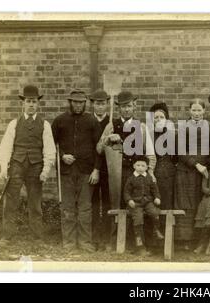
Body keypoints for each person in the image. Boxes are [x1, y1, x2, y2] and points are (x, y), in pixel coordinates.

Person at [0, 85, 56, 245]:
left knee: (35, 202)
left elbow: (50, 149)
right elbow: (6, 146)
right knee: (11, 201)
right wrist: (4, 167)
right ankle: (7, 236)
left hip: (36, 167)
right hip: (16, 165)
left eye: (34, 102)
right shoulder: (14, 124)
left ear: (38, 104)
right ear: (23, 103)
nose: (31, 105)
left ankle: (37, 237)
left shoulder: (45, 125)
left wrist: (45, 170)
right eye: (28, 101)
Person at [51, 89, 102, 253]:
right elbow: (51, 146)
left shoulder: (92, 121)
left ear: (85, 103)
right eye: (75, 102)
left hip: (86, 172)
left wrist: (96, 169)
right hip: (66, 172)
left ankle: (85, 242)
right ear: (70, 102)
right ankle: (69, 243)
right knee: (67, 207)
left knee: (85, 208)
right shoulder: (59, 121)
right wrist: (62, 156)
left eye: (81, 102)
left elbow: (99, 148)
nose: (78, 105)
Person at [96, 91, 156, 209]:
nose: (127, 109)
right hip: (116, 174)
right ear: (119, 108)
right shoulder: (111, 126)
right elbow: (99, 149)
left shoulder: (141, 127)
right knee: (117, 206)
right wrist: (108, 139)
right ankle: (116, 228)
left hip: (136, 173)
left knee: (136, 207)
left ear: (134, 107)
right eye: (123, 106)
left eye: (129, 106)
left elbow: (150, 155)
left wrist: (150, 172)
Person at [174, 99, 210, 250]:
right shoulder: (183, 127)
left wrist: (206, 163)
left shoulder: (209, 127)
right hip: (185, 172)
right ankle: (184, 240)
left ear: (204, 111)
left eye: (199, 110)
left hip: (202, 172)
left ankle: (197, 239)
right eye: (193, 110)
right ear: (189, 111)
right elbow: (180, 152)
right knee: (185, 203)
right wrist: (196, 164)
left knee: (198, 204)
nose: (196, 113)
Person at [124, 155, 164, 256]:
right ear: (134, 166)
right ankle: (140, 245)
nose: (140, 168)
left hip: (148, 202)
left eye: (143, 166)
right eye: (138, 165)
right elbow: (126, 192)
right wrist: (129, 200)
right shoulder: (131, 179)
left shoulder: (149, 178)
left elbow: (155, 190)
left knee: (154, 212)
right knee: (138, 219)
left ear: (147, 167)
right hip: (136, 204)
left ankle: (156, 230)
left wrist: (157, 198)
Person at [89, 89, 111, 250]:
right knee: (94, 204)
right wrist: (94, 168)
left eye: (103, 103)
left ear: (107, 105)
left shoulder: (112, 123)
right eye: (97, 104)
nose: (100, 107)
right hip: (92, 169)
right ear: (93, 105)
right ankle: (95, 238)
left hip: (109, 169)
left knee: (109, 203)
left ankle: (107, 238)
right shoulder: (88, 121)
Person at [149, 102, 177, 210]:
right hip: (153, 171)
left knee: (167, 200)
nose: (159, 119)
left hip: (168, 173)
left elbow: (175, 156)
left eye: (162, 117)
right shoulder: (149, 134)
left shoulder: (172, 134)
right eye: (156, 117)